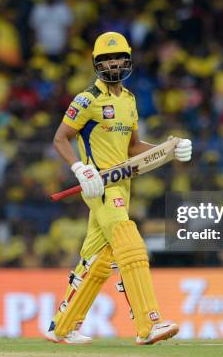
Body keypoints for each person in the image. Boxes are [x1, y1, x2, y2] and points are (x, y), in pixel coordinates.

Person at [48, 32, 192, 344]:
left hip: (122, 186)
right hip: (99, 185)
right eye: (105, 59)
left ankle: (62, 326)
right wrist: (78, 168)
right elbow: (60, 138)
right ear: (96, 63)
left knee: (98, 259)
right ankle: (148, 323)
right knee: (132, 245)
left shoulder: (129, 100)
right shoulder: (87, 99)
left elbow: (133, 146)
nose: (112, 63)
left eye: (117, 58)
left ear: (127, 61)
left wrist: (170, 150)